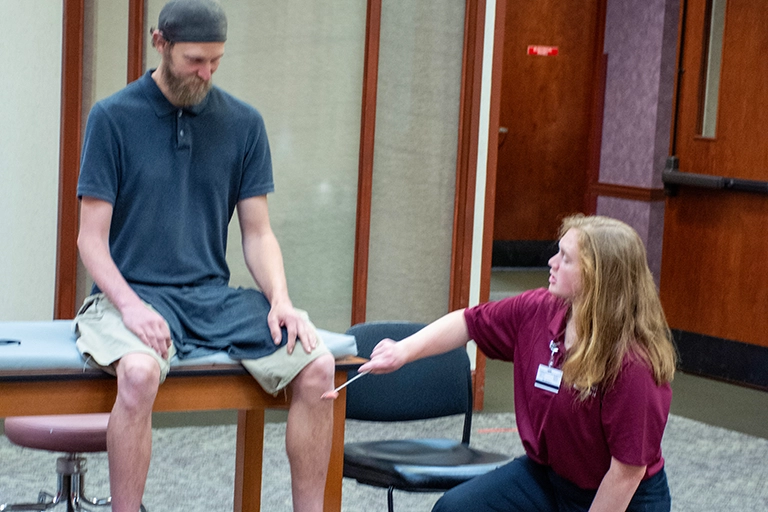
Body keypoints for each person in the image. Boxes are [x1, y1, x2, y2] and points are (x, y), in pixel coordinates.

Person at [74, 1, 335, 510]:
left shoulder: (244, 124)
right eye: (195, 60)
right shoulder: (112, 118)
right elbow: (90, 240)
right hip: (130, 295)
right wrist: (131, 307)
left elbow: (257, 234)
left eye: (215, 61)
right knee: (139, 372)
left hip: (209, 297)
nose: (206, 72)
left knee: (319, 367)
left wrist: (280, 299)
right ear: (160, 43)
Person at [359, 214, 678, 512]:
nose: (552, 263)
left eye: (566, 259)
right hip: (549, 477)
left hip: (622, 496)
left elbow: (626, 473)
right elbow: (469, 323)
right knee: (455, 508)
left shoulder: (634, 365)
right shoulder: (539, 310)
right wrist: (402, 351)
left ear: (599, 277)